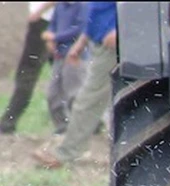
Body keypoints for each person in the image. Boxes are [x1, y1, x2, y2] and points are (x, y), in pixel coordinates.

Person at [32, 2, 117, 169]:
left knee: (87, 100)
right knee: (89, 99)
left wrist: (119, 30)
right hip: (99, 43)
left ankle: (65, 153)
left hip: (113, 44)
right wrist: (81, 43)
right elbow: (97, 12)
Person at [0, 2, 56, 134]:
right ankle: (92, 121)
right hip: (50, 19)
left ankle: (8, 122)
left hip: (44, 20)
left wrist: (39, 12)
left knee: (28, 70)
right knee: (65, 71)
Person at [42, 2, 90, 135]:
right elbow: (53, 24)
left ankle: (81, 129)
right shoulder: (60, 6)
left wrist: (55, 37)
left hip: (75, 55)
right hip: (59, 55)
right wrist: (50, 38)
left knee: (74, 94)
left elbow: (81, 29)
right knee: (53, 94)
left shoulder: (82, 6)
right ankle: (62, 127)